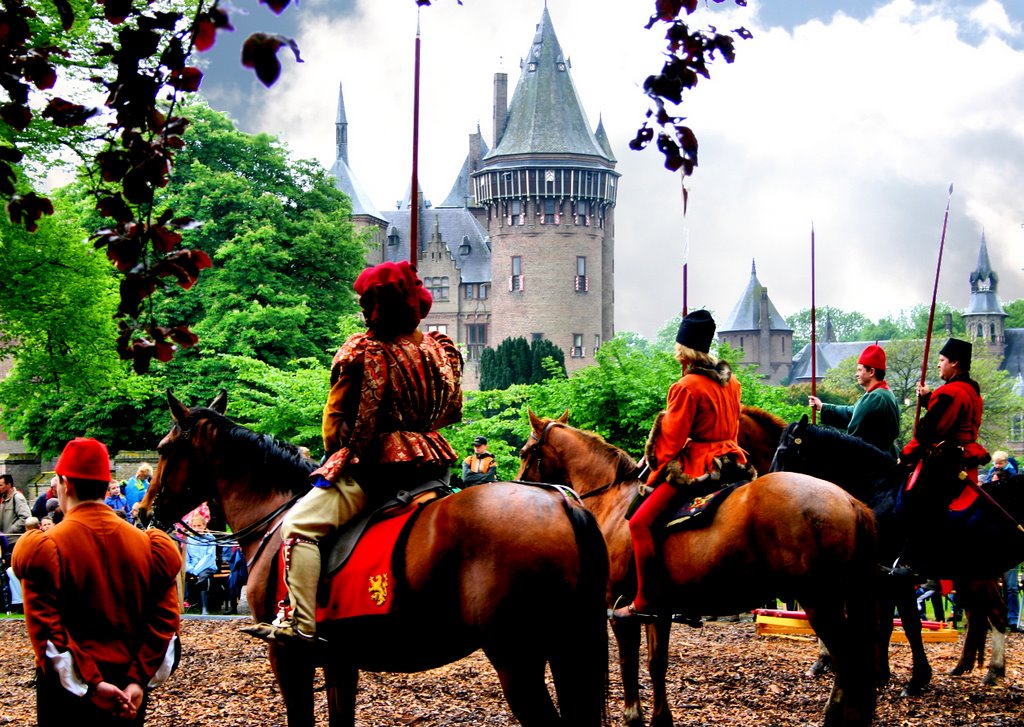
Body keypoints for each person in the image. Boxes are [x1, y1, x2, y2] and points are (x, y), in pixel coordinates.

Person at [245, 260, 463, 645]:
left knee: (299, 527)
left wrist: (342, 450)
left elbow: (338, 426)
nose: (363, 310)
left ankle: (300, 622)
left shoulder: (364, 351)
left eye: (366, 303)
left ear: (379, 307)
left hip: (381, 470)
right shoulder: (440, 348)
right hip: (433, 464)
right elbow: (452, 410)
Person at [12, 437, 181, 726]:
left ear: (67, 484)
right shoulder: (150, 547)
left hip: (68, 695)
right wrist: (137, 682)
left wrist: (92, 686)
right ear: (106, 486)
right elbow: (166, 626)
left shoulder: (46, 547)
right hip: (129, 693)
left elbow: (47, 632)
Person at [611, 310, 750, 622]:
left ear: (685, 351)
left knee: (640, 522)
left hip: (699, 464)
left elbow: (671, 441)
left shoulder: (686, 387)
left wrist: (654, 461)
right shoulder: (733, 383)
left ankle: (645, 600)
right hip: (732, 460)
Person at [900, 338, 988, 500]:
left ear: (954, 362)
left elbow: (927, 433)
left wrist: (905, 455)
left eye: (942, 360)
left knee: (910, 504)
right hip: (967, 461)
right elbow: (953, 415)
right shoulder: (972, 390)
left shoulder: (950, 392)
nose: (938, 365)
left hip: (948, 466)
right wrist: (929, 398)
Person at [808, 343, 901, 457]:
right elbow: (852, 413)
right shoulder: (885, 393)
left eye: (859, 370)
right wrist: (823, 407)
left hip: (873, 461)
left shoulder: (875, 397)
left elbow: (854, 435)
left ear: (871, 372)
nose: (856, 374)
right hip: (885, 455)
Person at [183, 513, 218, 616]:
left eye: (199, 526)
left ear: (204, 526)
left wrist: (196, 570)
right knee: (183, 577)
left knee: (203, 577)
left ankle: (204, 608)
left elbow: (209, 557)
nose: (197, 528)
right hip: (192, 568)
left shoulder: (210, 538)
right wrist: (191, 569)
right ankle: (188, 602)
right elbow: (186, 558)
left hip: (207, 567)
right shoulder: (188, 539)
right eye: (194, 526)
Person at [0, 473, 30, 544]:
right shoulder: (3, 499)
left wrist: (12, 529)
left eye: (1, 485)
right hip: (5, 541)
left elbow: (25, 518)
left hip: (14, 541)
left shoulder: (17, 497)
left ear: (8, 485)